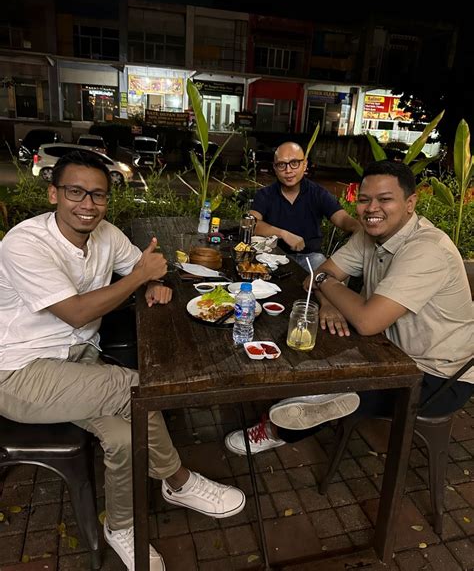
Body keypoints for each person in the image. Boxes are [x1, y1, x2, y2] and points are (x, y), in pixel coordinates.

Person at [0, 150, 245, 571]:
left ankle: (121, 526)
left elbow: (146, 267)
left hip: (80, 362)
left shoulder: (106, 235)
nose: (88, 204)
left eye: (98, 195)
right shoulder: (25, 243)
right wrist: (138, 279)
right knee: (140, 388)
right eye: (75, 192)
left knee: (124, 437)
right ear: (54, 194)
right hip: (20, 373)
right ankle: (178, 480)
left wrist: (152, 283)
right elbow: (77, 312)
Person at [226, 160, 473, 455]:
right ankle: (321, 396)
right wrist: (328, 301)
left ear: (410, 203)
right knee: (308, 331)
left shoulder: (426, 249)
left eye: (385, 199)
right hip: (386, 350)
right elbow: (314, 277)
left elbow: (365, 319)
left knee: (329, 374)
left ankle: (282, 425)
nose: (371, 209)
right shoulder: (369, 236)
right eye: (364, 199)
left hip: (436, 376)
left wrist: (324, 282)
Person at [249, 141, 360, 270]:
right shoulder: (265, 194)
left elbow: (342, 219)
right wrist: (283, 234)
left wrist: (360, 228)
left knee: (326, 274)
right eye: (281, 165)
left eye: (294, 163)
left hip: (311, 257)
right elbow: (251, 223)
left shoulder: (318, 193)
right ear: (275, 168)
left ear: (305, 164)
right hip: (273, 256)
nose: (288, 170)